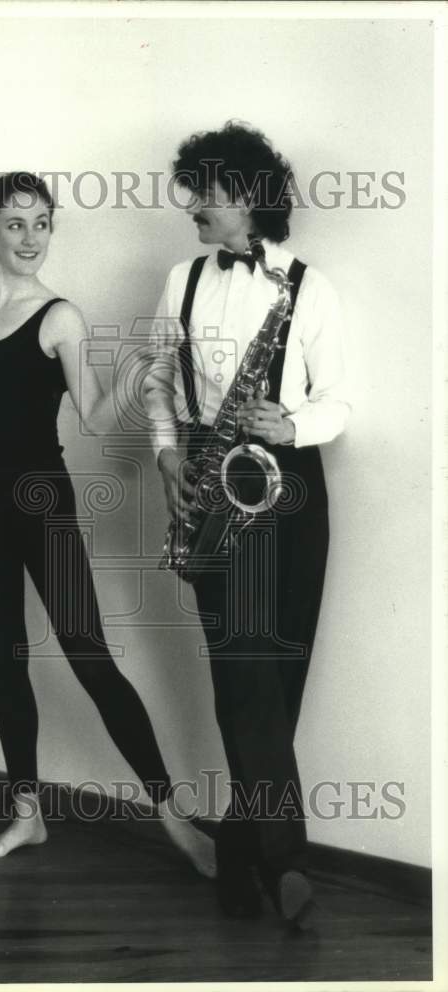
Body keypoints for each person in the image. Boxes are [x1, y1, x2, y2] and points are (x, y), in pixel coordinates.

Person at [0, 172, 216, 873]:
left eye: (42, 223)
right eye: (15, 224)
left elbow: (93, 415)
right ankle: (29, 815)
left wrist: (140, 373)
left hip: (41, 499)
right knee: (6, 658)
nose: (30, 238)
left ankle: (174, 816)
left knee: (87, 652)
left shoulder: (61, 317)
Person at [145, 122, 351, 926]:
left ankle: (239, 851)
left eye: (209, 192)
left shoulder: (313, 287)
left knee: (277, 677)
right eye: (193, 187)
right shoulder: (181, 280)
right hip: (207, 476)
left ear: (251, 200)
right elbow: (160, 380)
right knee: (244, 675)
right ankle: (287, 863)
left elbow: (339, 400)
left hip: (286, 483)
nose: (193, 205)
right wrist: (166, 455)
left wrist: (289, 424)